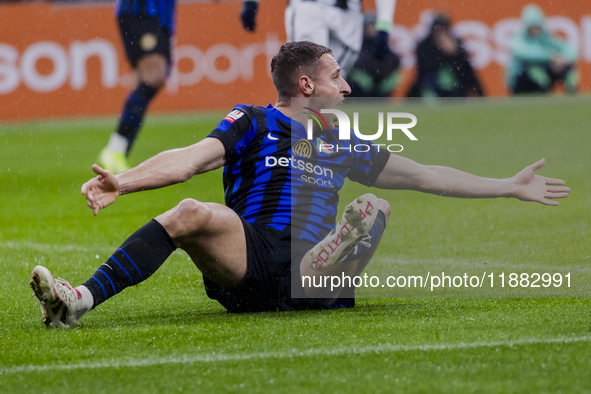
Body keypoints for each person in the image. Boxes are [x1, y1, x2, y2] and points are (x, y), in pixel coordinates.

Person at [29, 41, 569, 328]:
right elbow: (190, 160)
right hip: (252, 257)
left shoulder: (343, 140)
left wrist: (506, 185)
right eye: (338, 76)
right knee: (192, 209)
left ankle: (326, 266)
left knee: (375, 203)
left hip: (312, 262)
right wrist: (123, 181)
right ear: (307, 84)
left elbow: (427, 176)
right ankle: (77, 301)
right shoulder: (252, 120)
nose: (349, 84)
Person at [98, 0, 177, 174]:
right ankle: (115, 150)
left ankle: (117, 150)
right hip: (142, 10)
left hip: (160, 15)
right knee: (153, 77)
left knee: (153, 79)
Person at [240, 0, 397, 79]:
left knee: (331, 82)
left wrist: (384, 25)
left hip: (349, 15)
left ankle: (313, 133)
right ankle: (287, 134)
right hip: (309, 7)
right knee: (304, 73)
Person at [406, 13, 484, 98]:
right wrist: (442, 52)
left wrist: (454, 53)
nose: (441, 33)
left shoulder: (456, 44)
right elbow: (424, 70)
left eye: (444, 29)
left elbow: (467, 71)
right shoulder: (424, 46)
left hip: (455, 88)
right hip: (431, 87)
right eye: (438, 29)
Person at [506, 4, 578, 95]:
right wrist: (551, 57)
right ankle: (543, 91)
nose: (535, 30)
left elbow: (571, 49)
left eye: (537, 27)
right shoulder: (516, 40)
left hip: (543, 76)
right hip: (520, 82)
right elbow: (527, 54)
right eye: (532, 27)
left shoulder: (545, 39)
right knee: (533, 69)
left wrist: (563, 59)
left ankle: (571, 92)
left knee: (568, 68)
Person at [347, 14, 401, 97]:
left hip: (381, 83)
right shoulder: (358, 43)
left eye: (374, 25)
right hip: (363, 83)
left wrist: (382, 75)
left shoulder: (383, 44)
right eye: (369, 25)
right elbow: (355, 63)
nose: (372, 28)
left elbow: (394, 61)